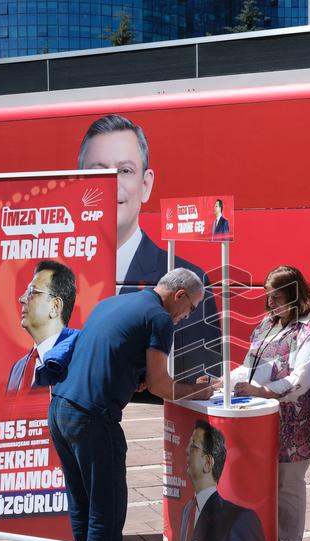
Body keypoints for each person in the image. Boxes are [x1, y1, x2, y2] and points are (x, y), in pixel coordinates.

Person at [48, 268, 212, 541]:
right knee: (107, 508)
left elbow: (110, 353)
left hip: (61, 408)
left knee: (82, 502)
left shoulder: (114, 303)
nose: (186, 317)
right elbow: (159, 386)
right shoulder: (159, 318)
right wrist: (200, 389)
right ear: (179, 295)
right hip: (94, 418)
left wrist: (133, 375)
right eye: (191, 308)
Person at [77, 114, 221, 378]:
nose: (112, 185)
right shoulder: (54, 275)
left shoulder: (190, 281)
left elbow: (201, 373)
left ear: (145, 184)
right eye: (98, 172)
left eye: (125, 170)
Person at [214, 265, 310, 541]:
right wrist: (222, 381)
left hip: (291, 424)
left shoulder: (308, 330)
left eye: (276, 297)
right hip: (258, 421)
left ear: (294, 295)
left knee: (289, 487)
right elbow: (248, 368)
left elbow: (302, 379)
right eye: (268, 296)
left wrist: (263, 390)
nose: (270, 303)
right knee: (262, 485)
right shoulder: (266, 325)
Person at [178, 420, 265, 541]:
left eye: (193, 446)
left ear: (208, 463)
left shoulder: (241, 520)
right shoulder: (188, 509)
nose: (186, 450)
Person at [6, 260, 76, 393]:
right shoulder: (17, 368)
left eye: (32, 292)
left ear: (55, 307)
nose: (21, 299)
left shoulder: (74, 362)